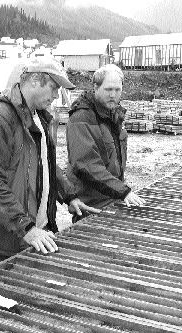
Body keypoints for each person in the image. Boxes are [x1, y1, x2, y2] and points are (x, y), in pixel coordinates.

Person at [0, 58, 100, 268]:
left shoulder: (38, 117)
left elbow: (46, 164)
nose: (55, 96)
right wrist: (26, 228)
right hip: (8, 235)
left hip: (34, 229)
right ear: (34, 80)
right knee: (4, 296)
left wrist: (69, 196)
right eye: (53, 87)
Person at [65, 64, 144, 221]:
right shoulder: (82, 118)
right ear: (96, 87)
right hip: (91, 207)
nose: (113, 95)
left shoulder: (113, 116)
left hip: (111, 200)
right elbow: (86, 165)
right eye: (108, 90)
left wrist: (119, 192)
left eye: (117, 90)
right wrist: (123, 191)